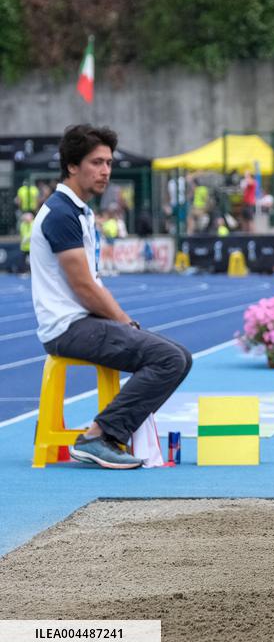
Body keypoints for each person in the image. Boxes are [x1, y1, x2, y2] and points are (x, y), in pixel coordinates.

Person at [30, 124, 192, 469]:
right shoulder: (61, 214)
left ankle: (110, 432)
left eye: (108, 162)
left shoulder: (78, 211)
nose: (105, 171)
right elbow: (84, 287)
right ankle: (98, 436)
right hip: (67, 327)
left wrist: (122, 322)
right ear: (72, 166)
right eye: (96, 162)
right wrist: (123, 321)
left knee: (180, 356)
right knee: (168, 359)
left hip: (83, 322)